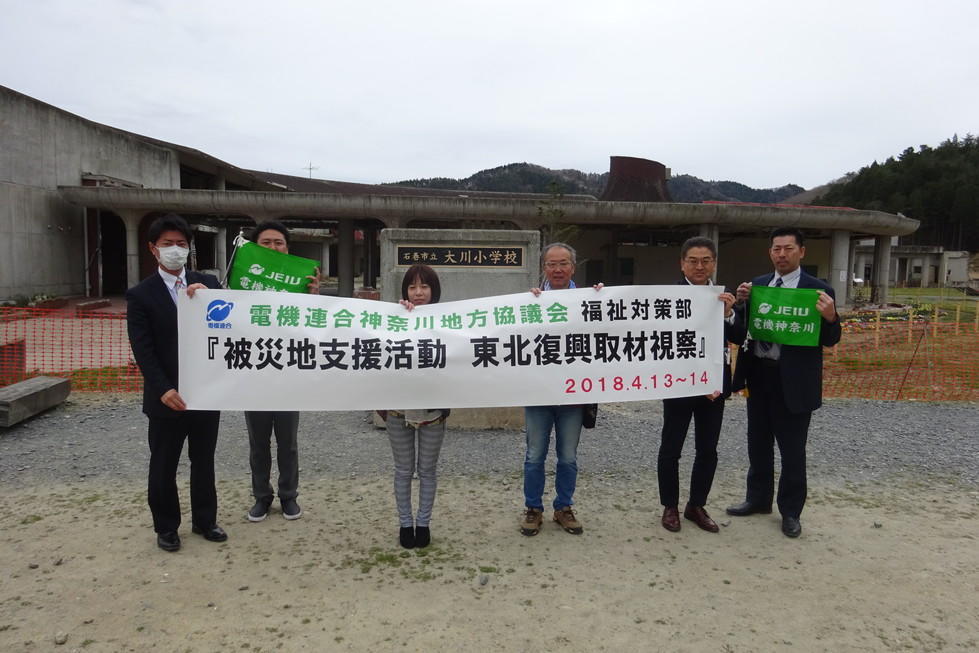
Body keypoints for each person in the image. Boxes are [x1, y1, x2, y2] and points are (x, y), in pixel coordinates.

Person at [726, 227, 842, 538]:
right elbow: (740, 332)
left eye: (788, 248)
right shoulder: (759, 285)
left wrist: (831, 317)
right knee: (758, 443)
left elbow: (831, 339)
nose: (782, 254)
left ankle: (790, 511)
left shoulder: (818, 290)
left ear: (801, 251)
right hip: (759, 375)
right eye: (776, 249)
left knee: (792, 450)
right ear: (770, 252)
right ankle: (758, 498)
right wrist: (739, 305)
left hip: (794, 381)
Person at [126, 213, 226, 552]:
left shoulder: (208, 284)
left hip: (204, 394)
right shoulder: (141, 295)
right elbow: (143, 349)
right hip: (167, 397)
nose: (175, 250)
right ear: (153, 249)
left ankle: (205, 520)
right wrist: (163, 388)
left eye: (181, 244)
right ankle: (167, 527)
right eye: (167, 244)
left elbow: (232, 325)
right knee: (164, 464)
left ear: (189, 249)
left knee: (204, 461)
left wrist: (209, 299)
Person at [658, 237, 742, 533]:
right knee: (671, 448)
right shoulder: (666, 298)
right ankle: (670, 506)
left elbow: (739, 336)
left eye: (706, 261)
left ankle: (696, 505)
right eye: (693, 261)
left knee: (708, 449)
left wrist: (729, 314)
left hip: (713, 388)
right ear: (682, 264)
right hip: (679, 385)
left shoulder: (723, 298)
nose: (699, 266)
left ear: (714, 264)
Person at [520, 243, 602, 537]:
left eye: (563, 263)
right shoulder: (529, 302)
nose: (557, 269)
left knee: (568, 456)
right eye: (551, 264)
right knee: (534, 456)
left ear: (573, 267)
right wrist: (526, 304)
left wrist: (603, 299)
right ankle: (533, 508)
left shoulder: (591, 300)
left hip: (573, 395)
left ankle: (563, 507)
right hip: (538, 393)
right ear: (543, 268)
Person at [243, 220, 320, 522]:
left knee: (288, 443)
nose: (273, 247)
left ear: (287, 249)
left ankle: (289, 496)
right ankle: (261, 497)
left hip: (288, 374)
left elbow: (314, 328)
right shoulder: (242, 281)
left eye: (279, 243)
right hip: (254, 374)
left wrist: (313, 298)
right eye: (266, 243)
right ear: (255, 247)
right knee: (258, 443)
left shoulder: (299, 284)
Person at [379, 264, 450, 549]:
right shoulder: (392, 319)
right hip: (398, 409)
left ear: (434, 291)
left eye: (424, 286)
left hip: (433, 411)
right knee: (403, 469)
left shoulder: (450, 321)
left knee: (428, 470)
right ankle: (405, 524)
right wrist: (398, 319)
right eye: (412, 287)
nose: (418, 292)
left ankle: (424, 523)